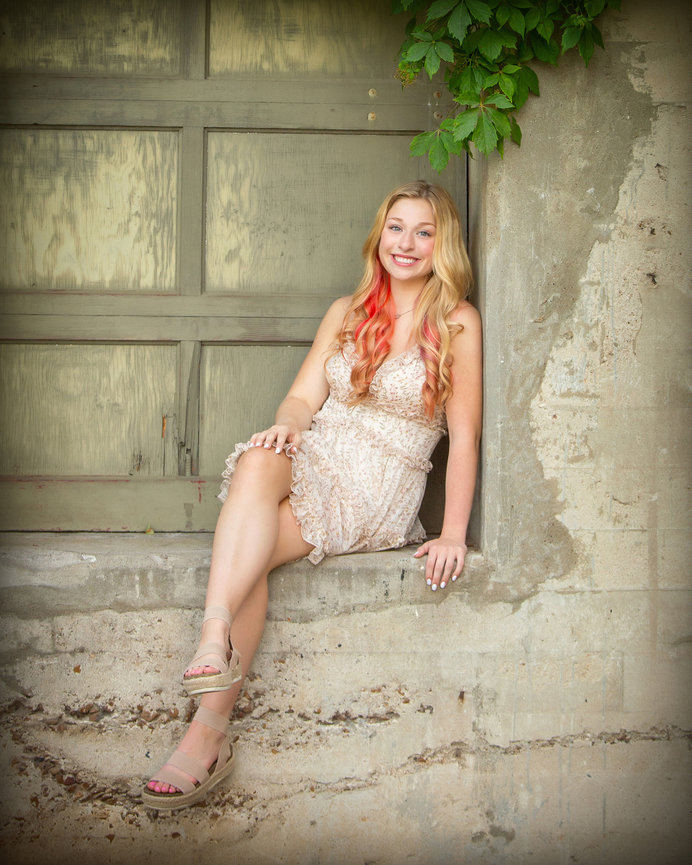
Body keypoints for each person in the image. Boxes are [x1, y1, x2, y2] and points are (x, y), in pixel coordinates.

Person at [141, 180, 482, 809]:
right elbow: (302, 399)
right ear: (379, 234)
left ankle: (204, 733)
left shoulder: (457, 322)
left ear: (444, 245)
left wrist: (454, 532)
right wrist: (289, 425)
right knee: (260, 455)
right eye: (395, 227)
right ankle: (213, 640)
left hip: (379, 480)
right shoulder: (346, 310)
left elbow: (463, 437)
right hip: (319, 452)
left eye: (423, 231)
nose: (405, 244)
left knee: (257, 538)